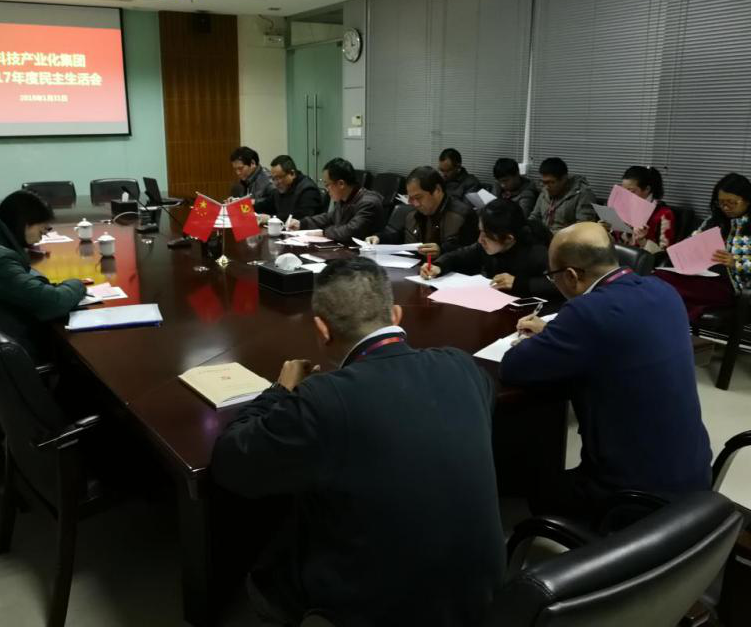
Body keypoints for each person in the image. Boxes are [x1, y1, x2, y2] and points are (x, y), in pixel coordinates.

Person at [212, 257, 504, 626]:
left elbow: (231, 461)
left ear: (322, 330)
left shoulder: (324, 400)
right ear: (395, 315)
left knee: (273, 559)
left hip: (381, 610)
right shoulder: (463, 366)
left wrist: (280, 391)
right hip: (482, 597)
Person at [501, 223, 712, 520]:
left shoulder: (585, 313)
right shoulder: (664, 291)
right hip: (695, 478)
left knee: (532, 487)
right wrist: (555, 332)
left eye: (552, 276)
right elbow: (620, 337)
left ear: (571, 275)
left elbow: (513, 367)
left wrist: (552, 335)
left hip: (631, 498)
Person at [0, 190, 86, 361]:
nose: (42, 237)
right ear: (25, 224)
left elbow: (18, 283)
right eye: (41, 230)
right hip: (5, 352)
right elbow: (52, 303)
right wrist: (77, 284)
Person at [655, 173, 751, 321]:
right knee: (659, 277)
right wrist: (682, 253)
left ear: (747, 200)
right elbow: (690, 243)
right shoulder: (713, 222)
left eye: (732, 202)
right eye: (721, 203)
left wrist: (737, 263)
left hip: (733, 286)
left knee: (668, 290)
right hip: (701, 276)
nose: (725, 207)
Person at [421, 199, 560, 298]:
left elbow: (558, 284)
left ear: (508, 239)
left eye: (486, 235)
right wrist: (438, 266)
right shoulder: (485, 245)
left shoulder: (538, 251)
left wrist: (519, 283)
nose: (480, 239)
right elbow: (459, 256)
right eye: (480, 231)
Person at [366, 165, 477, 258]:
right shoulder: (415, 213)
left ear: (437, 190)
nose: (415, 204)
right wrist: (379, 238)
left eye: (418, 197)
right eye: (411, 198)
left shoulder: (462, 215)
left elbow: (471, 253)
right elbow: (403, 235)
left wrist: (441, 251)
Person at [293, 158, 384, 244]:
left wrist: (324, 232)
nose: (326, 190)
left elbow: (350, 232)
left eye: (327, 185)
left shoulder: (368, 203)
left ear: (341, 184)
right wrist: (302, 223)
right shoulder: (345, 199)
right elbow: (329, 217)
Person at [606, 166, 676, 253]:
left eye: (631, 191)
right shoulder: (625, 208)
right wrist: (607, 230)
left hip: (644, 259)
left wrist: (642, 240)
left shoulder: (664, 214)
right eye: (623, 191)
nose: (625, 195)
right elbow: (618, 241)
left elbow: (665, 253)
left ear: (647, 189)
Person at [529, 157, 598, 233]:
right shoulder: (546, 190)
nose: (546, 187)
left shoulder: (582, 194)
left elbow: (583, 227)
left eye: (551, 182)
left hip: (566, 237)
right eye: (544, 182)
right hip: (543, 235)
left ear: (564, 179)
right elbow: (535, 217)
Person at [255, 155, 323, 225]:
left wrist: (271, 218)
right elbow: (266, 205)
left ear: (292, 174)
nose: (275, 183)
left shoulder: (308, 190)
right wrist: (249, 208)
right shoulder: (281, 188)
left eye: (279, 178)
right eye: (273, 179)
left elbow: (302, 216)